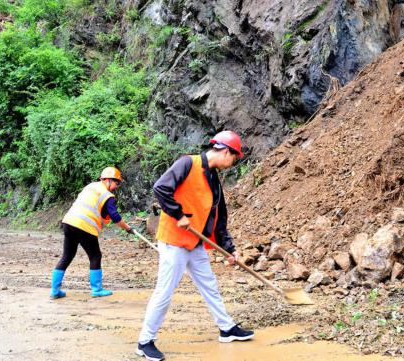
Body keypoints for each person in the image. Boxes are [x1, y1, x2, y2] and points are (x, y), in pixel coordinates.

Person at [136, 131, 254, 361]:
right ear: (225, 151)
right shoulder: (188, 163)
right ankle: (145, 341)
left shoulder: (214, 181)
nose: (232, 163)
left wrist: (230, 249)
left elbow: (219, 220)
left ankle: (226, 328)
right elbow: (161, 188)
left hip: (196, 242)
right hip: (174, 241)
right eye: (234, 157)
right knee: (165, 291)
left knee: (210, 286)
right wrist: (178, 213)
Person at [49, 167, 134, 299]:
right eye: (116, 183)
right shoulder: (107, 196)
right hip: (84, 227)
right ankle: (96, 289)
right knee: (95, 256)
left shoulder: (90, 187)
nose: (116, 187)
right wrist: (127, 228)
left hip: (68, 222)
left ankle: (55, 290)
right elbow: (115, 217)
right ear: (108, 180)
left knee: (67, 256)